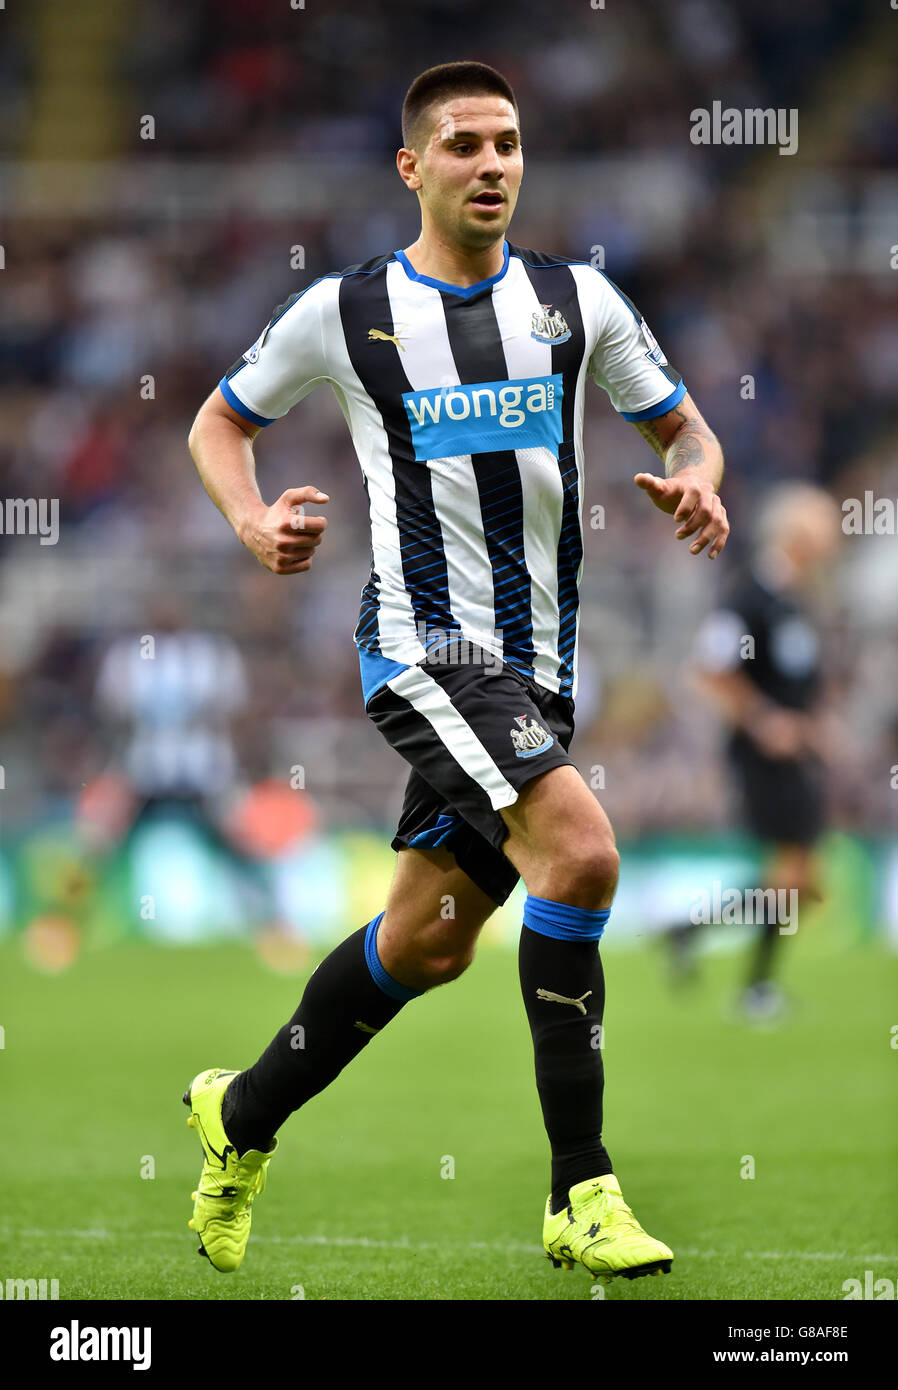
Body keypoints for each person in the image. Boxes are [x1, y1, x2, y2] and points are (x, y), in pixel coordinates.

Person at [184, 61, 729, 1285]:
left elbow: (686, 425)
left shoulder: (577, 302)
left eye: (509, 144)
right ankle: (579, 1192)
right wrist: (251, 521)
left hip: (538, 668)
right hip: (426, 652)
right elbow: (217, 422)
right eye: (466, 144)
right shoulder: (344, 309)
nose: (492, 164)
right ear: (411, 167)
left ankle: (241, 1115)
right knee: (582, 853)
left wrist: (698, 473)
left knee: (427, 942)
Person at [686, 483, 840, 1020]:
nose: (832, 542)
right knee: (794, 875)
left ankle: (689, 932)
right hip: (762, 754)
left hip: (796, 754)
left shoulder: (797, 597)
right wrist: (765, 720)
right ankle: (754, 990)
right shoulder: (749, 594)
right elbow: (710, 668)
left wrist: (812, 726)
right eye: (824, 530)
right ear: (797, 533)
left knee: (805, 881)